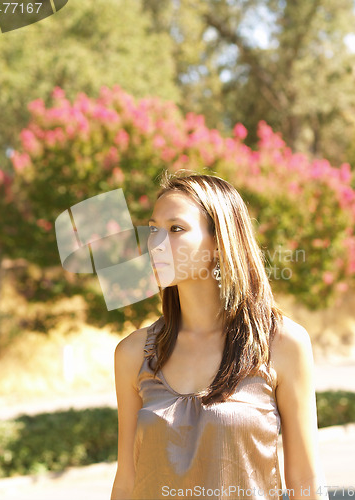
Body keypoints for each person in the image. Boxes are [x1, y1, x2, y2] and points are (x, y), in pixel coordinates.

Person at [110, 170, 328, 500]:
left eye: (175, 229)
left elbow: (305, 481)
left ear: (218, 242)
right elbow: (126, 481)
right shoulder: (133, 354)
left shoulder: (282, 344)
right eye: (153, 229)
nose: (155, 244)